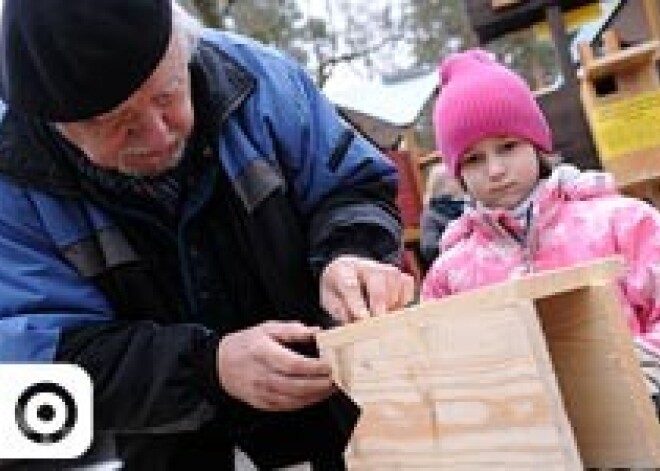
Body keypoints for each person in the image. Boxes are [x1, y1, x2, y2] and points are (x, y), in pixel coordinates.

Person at [0, 0, 415, 469]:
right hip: (168, 450)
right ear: (57, 127)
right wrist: (206, 368)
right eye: (120, 124)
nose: (158, 136)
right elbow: (35, 372)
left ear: (185, 48)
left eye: (168, 94)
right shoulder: (12, 190)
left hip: (347, 419)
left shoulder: (259, 79)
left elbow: (353, 186)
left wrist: (353, 251)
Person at [421, 49, 660, 364]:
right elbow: (443, 363)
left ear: (536, 144)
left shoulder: (624, 222)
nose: (495, 170)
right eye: (473, 159)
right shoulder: (449, 275)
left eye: (508, 147)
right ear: (458, 172)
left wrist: (638, 371)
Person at [419, 161, 466, 271]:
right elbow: (429, 249)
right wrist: (456, 242)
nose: (461, 180)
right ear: (445, 184)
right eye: (456, 178)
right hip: (452, 268)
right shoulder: (430, 215)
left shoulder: (469, 205)